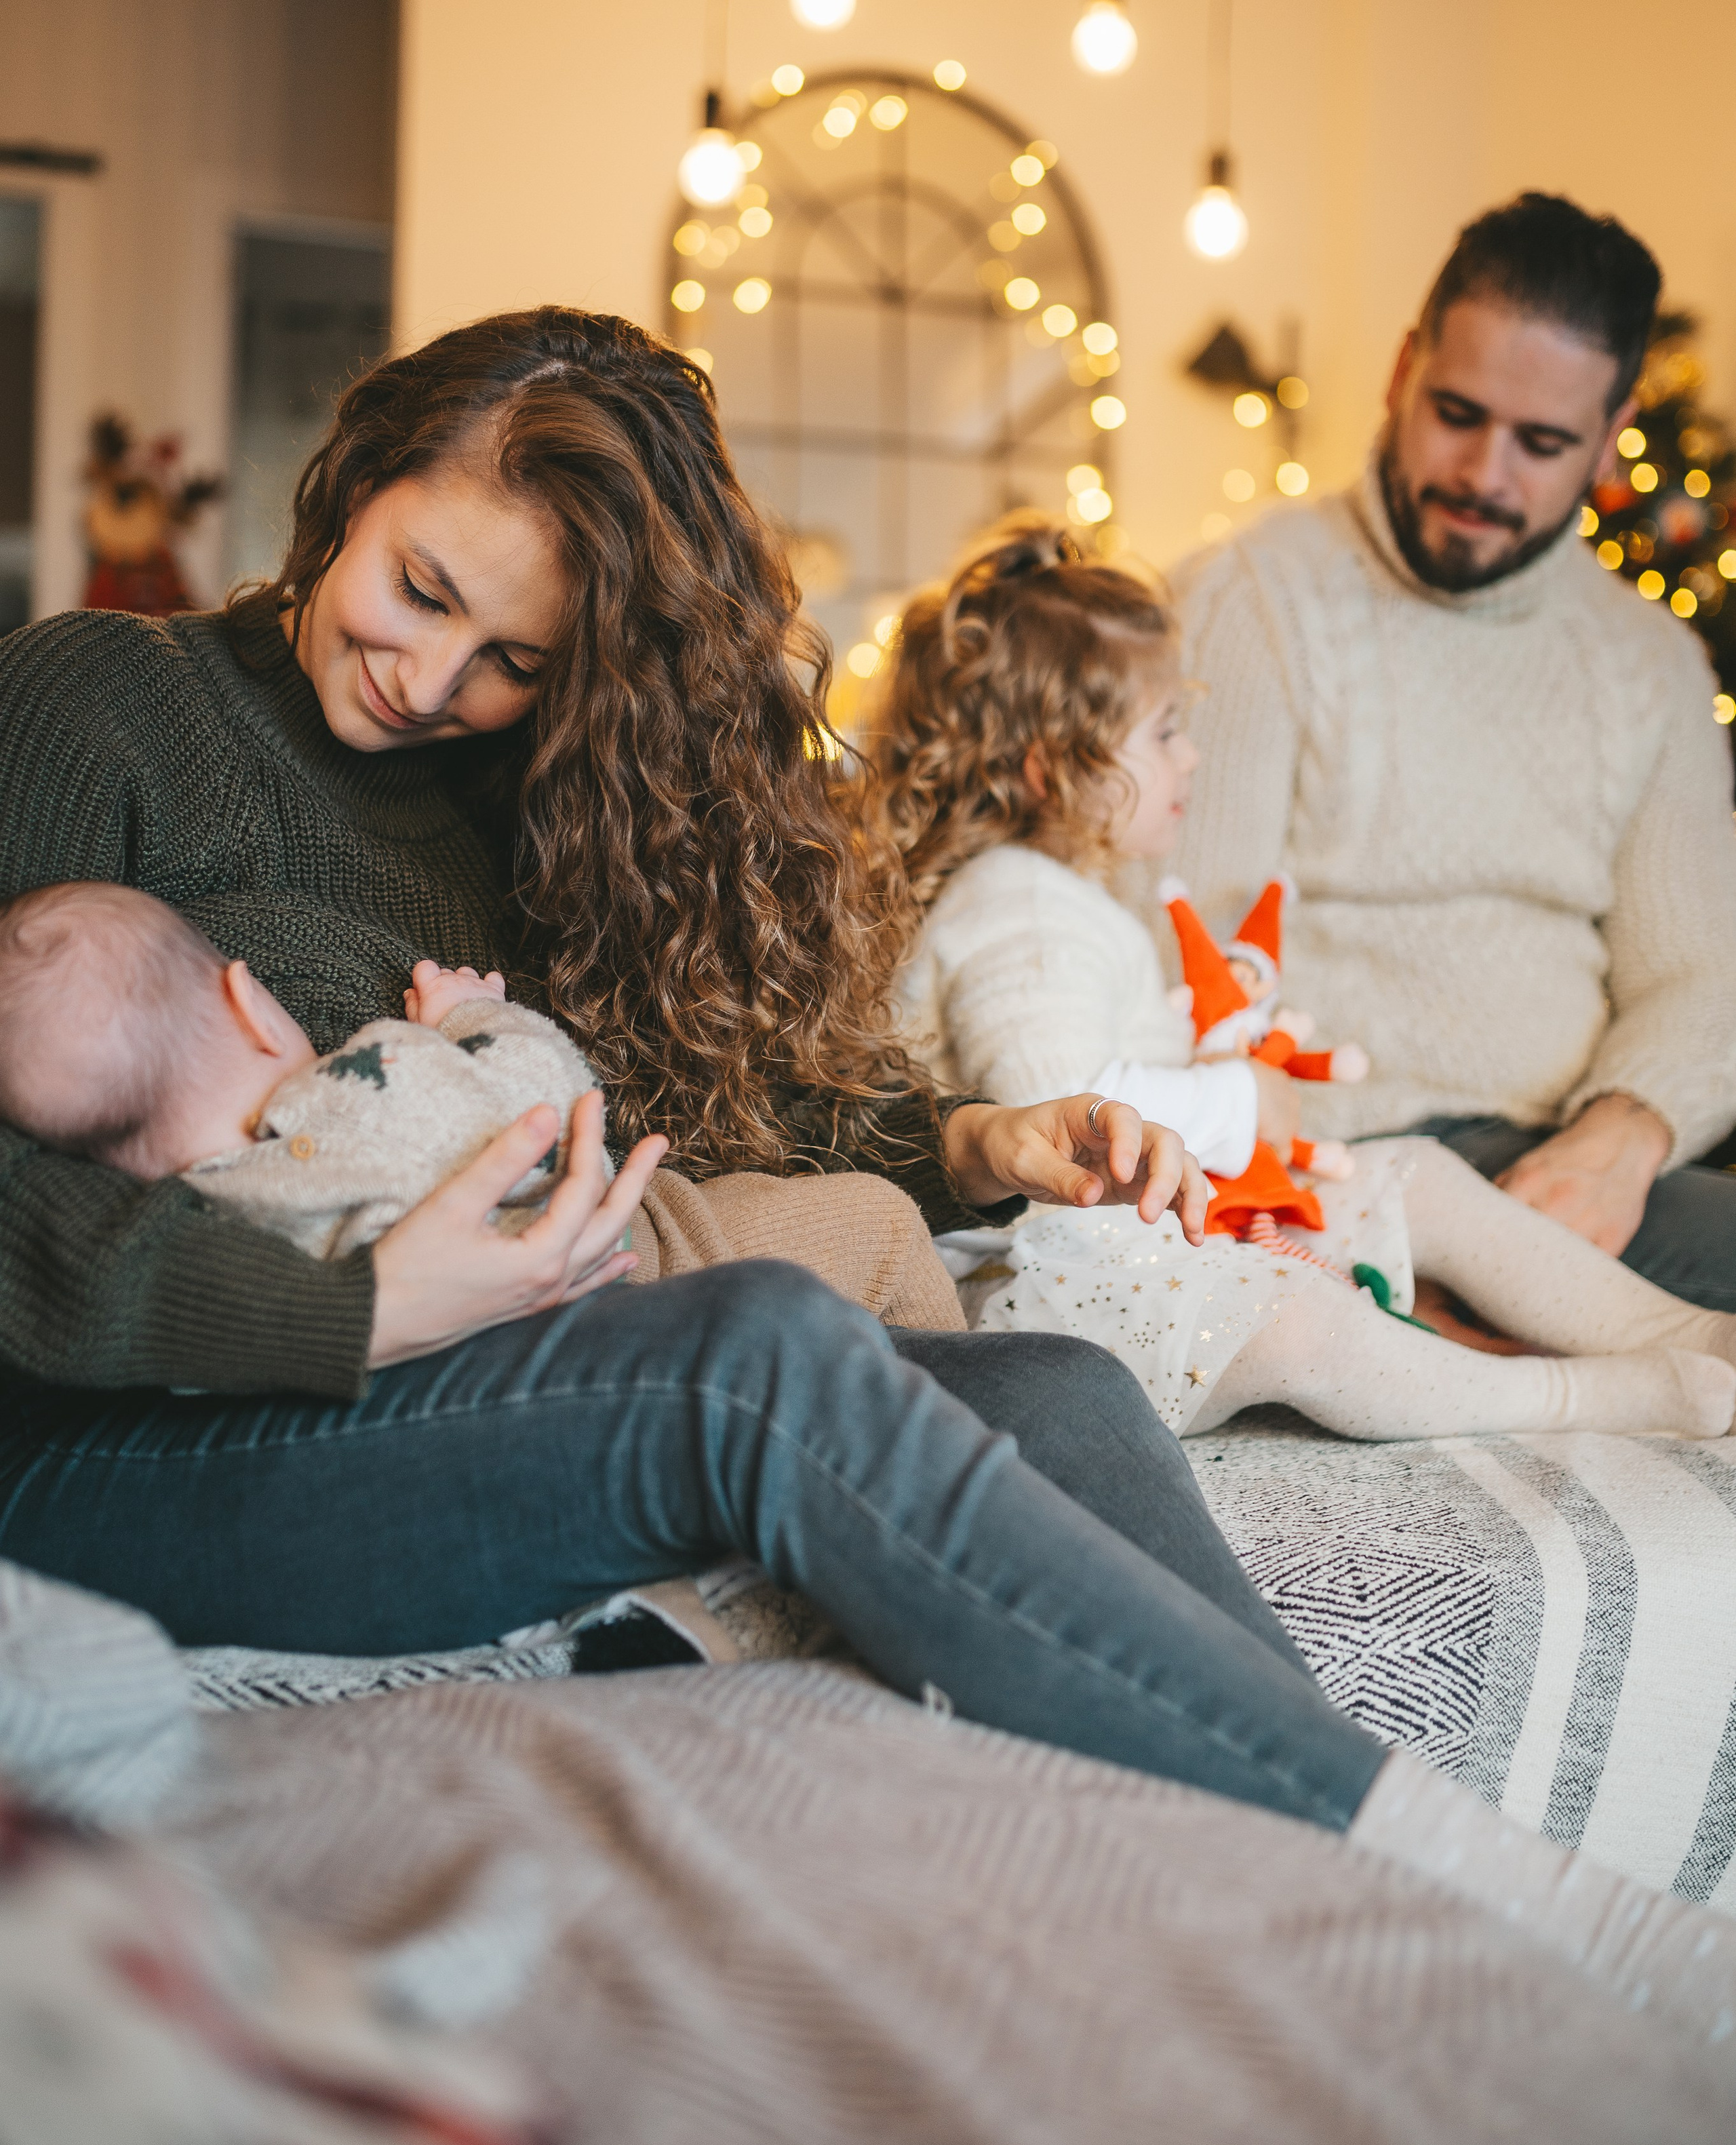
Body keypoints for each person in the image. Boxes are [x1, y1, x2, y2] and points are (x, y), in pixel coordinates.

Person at [3, 307, 1733, 2049]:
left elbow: (714, 1114)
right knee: (752, 1352)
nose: (435, 680)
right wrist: (356, 1306)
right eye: (421, 589)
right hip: (117, 1448)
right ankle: (1511, 1909)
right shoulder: (105, 705)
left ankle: (1374, 1906)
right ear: (357, 477)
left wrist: (980, 1143)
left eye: (516, 656)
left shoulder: (505, 793)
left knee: (1053, 1387)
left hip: (462, 1373)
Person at [872, 519, 1736, 1442]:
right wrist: (1238, 1100)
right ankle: (1581, 1399)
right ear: (1052, 771)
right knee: (1299, 1324)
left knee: (1417, 1176)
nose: (1191, 756)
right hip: (1047, 1292)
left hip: (1138, 1239)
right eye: (1164, 732)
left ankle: (1686, 1334)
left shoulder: (1054, 896)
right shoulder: (1020, 908)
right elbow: (1057, 1113)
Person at [1154, 191, 1736, 1310]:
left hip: (1559, 1159)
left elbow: (1702, 976)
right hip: (1318, 1162)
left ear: (1611, 434)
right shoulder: (1251, 599)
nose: (1484, 474)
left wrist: (1623, 1137)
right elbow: (1187, 948)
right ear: (1402, 371)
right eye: (1457, 413)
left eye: (1542, 442)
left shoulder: (1653, 665)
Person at [0, 880, 965, 1331]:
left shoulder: (217, 1225)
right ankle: (941, 1396)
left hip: (548, 1350)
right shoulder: (370, 1077)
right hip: (649, 1259)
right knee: (877, 1222)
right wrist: (469, 1018)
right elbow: (548, 1092)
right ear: (249, 1003)